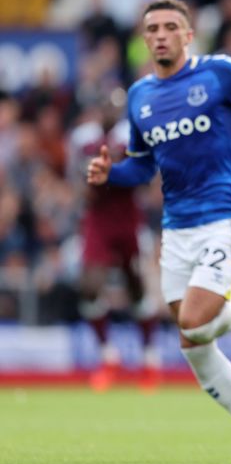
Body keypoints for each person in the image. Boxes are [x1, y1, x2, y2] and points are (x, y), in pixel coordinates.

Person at [86, 0, 231, 464]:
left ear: (188, 35)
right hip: (177, 227)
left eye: (170, 27)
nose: (160, 35)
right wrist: (112, 174)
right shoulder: (140, 96)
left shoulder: (220, 73)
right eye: (152, 29)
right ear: (144, 40)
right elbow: (143, 168)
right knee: (193, 342)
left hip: (226, 216)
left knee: (194, 321)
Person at [68, 93, 161, 393]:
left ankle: (148, 358)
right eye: (107, 104)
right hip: (98, 217)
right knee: (90, 285)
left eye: (117, 105)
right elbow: (75, 175)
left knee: (135, 286)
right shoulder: (83, 136)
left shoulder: (132, 135)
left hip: (127, 216)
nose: (111, 109)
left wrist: (114, 170)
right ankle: (109, 356)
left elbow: (144, 174)